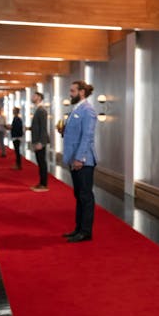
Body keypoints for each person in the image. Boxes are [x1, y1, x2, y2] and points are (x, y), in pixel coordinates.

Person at [62, 80, 97, 243]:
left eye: (73, 91)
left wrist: (79, 158)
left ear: (82, 92)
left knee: (85, 195)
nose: (70, 94)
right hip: (74, 159)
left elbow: (87, 136)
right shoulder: (76, 109)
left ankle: (85, 231)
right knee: (79, 195)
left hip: (83, 160)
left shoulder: (88, 110)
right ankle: (78, 228)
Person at [29, 92, 50, 192]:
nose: (32, 97)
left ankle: (44, 184)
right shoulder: (37, 110)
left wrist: (41, 142)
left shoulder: (41, 110)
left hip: (40, 141)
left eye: (34, 96)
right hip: (37, 140)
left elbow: (43, 128)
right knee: (40, 163)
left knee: (42, 163)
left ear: (39, 98)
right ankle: (41, 183)